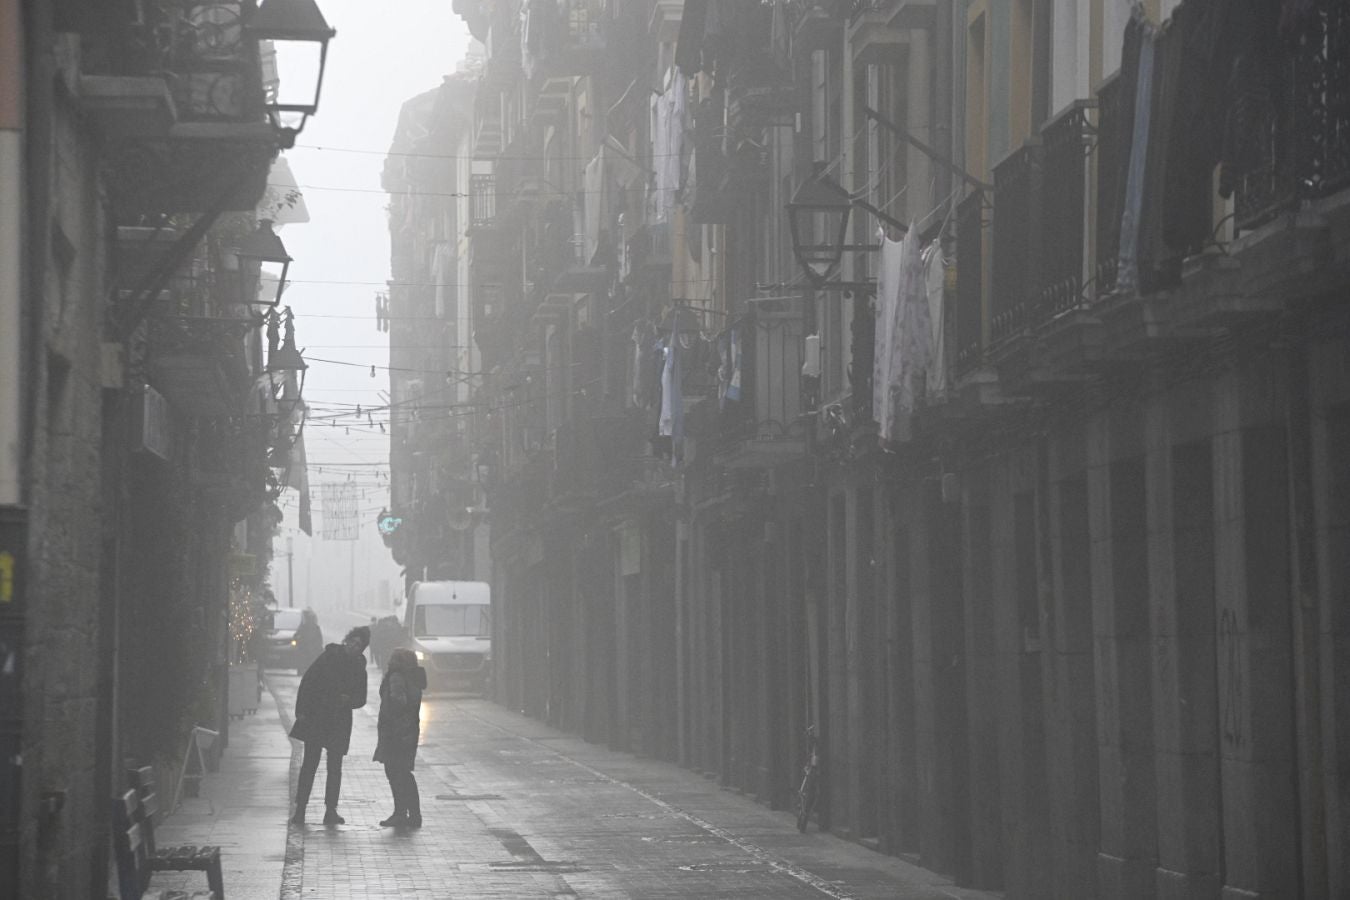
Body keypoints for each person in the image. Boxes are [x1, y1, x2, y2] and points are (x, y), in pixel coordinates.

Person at [289, 625, 370, 825]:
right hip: (318, 717)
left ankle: (330, 810)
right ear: (347, 640)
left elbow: (361, 698)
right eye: (353, 641)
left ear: (362, 648)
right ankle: (301, 810)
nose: (354, 646)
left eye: (359, 645)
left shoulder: (359, 668)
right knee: (310, 764)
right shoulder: (329, 656)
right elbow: (308, 682)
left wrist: (348, 700)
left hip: (339, 721)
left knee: (335, 767)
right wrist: (301, 711)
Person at [373, 647, 426, 827]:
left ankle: (400, 813)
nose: (388, 662)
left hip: (396, 732)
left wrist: (392, 719)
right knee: (404, 773)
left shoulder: (396, 677)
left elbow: (398, 701)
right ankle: (414, 814)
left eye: (392, 659)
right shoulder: (414, 677)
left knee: (395, 773)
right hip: (409, 731)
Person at [294, 609, 323, 676]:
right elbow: (319, 639)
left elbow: (319, 639)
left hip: (308, 648)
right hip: (307, 648)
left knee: (305, 661)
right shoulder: (312, 627)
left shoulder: (306, 627)